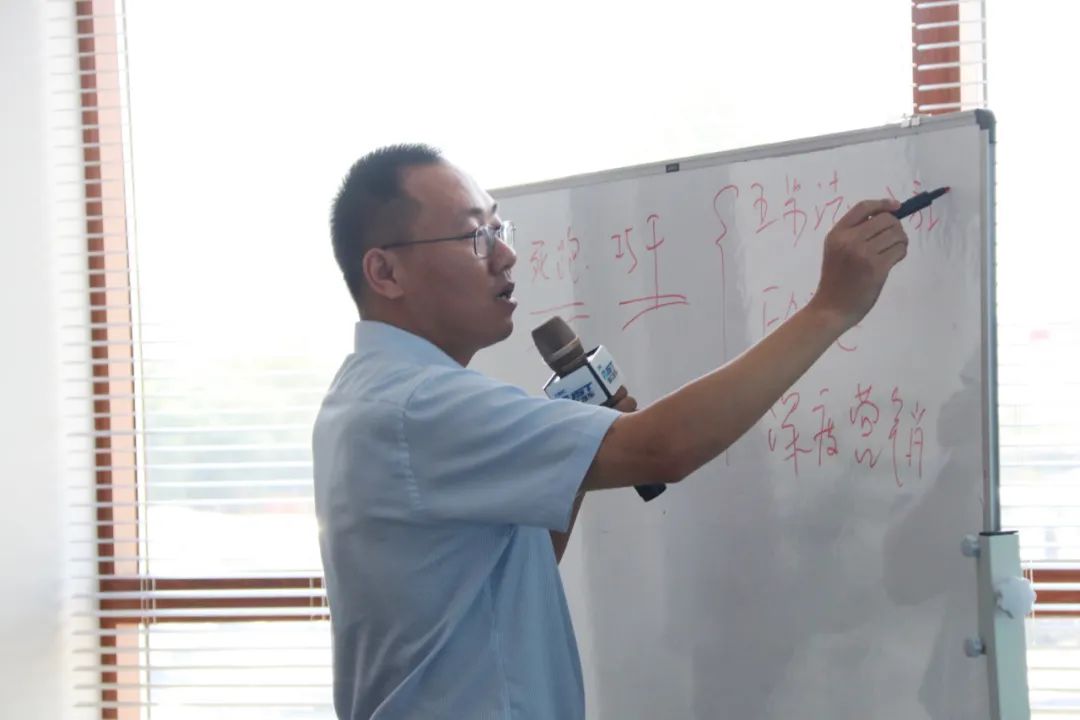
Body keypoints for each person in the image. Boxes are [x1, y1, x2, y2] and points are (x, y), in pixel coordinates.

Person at [312, 143, 909, 719]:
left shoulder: (371, 393)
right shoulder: (419, 406)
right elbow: (665, 447)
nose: (506, 255)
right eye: (475, 237)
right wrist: (830, 308)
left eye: (499, 229)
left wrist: (565, 461)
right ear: (385, 271)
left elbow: (499, 581)